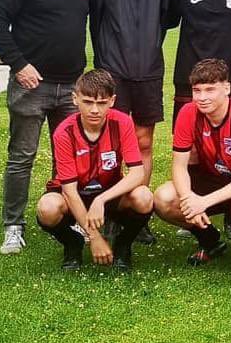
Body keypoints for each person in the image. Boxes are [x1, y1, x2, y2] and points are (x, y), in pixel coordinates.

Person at [0, 0, 91, 255]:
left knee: (70, 160)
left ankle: (69, 217)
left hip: (71, 87)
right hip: (32, 84)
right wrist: (19, 64)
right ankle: (13, 226)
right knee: (22, 157)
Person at [90, 0, 172, 244]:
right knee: (112, 146)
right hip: (114, 72)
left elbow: (165, 20)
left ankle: (138, 212)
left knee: (143, 143)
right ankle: (110, 212)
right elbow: (95, 19)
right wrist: (105, 61)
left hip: (149, 71)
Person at [153, 59, 231, 267]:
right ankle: (209, 240)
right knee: (164, 198)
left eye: (210, 90)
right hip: (209, 177)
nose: (202, 97)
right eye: (197, 90)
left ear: (227, 88)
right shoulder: (188, 112)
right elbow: (179, 166)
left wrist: (204, 202)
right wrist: (189, 198)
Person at [35, 69, 153, 271]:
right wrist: (95, 237)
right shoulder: (64, 131)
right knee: (47, 208)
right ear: (75, 99)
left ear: (112, 101)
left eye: (101, 102)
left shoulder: (122, 122)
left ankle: (123, 245)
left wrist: (101, 199)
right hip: (75, 195)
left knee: (144, 196)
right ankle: (73, 243)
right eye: (88, 102)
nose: (95, 110)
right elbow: (69, 191)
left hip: (109, 193)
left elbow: (137, 173)